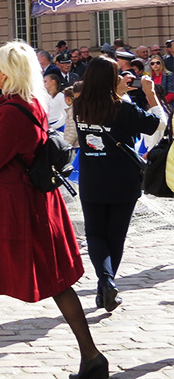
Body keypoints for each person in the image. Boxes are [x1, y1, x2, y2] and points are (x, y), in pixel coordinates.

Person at [0, 40, 105, 379]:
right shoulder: (28, 102)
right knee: (55, 279)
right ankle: (91, 355)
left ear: (10, 73)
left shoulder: (12, 109)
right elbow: (6, 132)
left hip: (6, 206)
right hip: (30, 202)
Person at [73, 56, 165, 313]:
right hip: (123, 179)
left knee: (95, 235)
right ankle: (107, 286)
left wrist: (119, 92)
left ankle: (106, 282)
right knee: (115, 235)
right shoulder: (122, 107)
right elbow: (159, 125)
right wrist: (150, 94)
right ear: (110, 80)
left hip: (92, 178)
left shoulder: (80, 106)